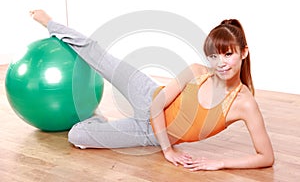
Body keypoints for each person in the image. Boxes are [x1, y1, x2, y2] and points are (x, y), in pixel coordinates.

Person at [30, 10, 274, 171]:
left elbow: (266, 157)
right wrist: (168, 151)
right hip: (148, 93)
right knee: (99, 54)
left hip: (148, 132)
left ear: (244, 52)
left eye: (228, 54)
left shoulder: (244, 104)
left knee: (77, 137)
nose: (220, 63)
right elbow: (157, 105)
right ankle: (50, 23)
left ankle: (98, 122)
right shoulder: (198, 70)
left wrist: (219, 163)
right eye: (214, 55)